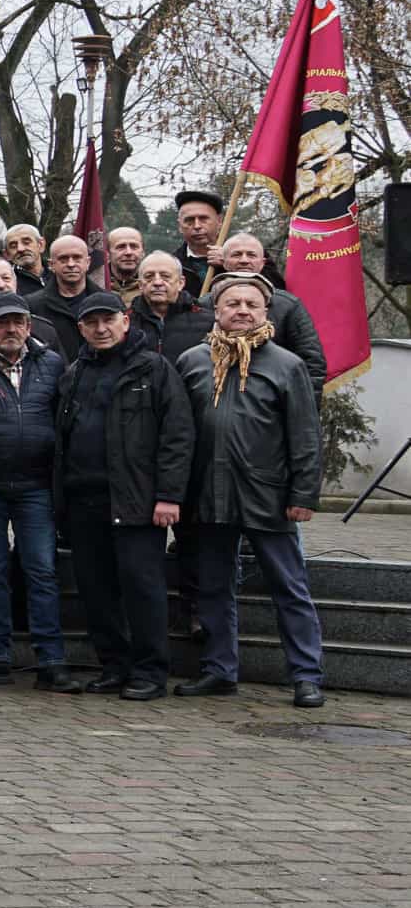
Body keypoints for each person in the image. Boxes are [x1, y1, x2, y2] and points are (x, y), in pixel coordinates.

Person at [172, 273, 327, 708]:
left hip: (270, 497)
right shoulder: (193, 361)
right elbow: (179, 435)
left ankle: (306, 675)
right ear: (216, 311)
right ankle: (220, 670)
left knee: (289, 588)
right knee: (214, 588)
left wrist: (304, 495)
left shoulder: (287, 365)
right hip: (209, 494)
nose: (242, 310)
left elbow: (306, 436)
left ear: (265, 312)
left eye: (251, 305)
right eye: (233, 304)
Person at [54, 290, 193, 701]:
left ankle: (150, 672)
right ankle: (114, 665)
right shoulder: (74, 372)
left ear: (126, 320)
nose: (101, 329)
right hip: (83, 501)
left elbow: (178, 436)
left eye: (108, 320)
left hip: (137, 501)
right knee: (96, 592)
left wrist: (169, 496)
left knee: (142, 589)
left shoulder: (154, 369)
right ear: (80, 328)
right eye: (92, 323)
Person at [0, 293, 76, 691]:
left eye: (18, 322)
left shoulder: (52, 364)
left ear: (29, 326)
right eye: (2, 323)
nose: (11, 330)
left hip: (36, 486)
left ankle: (52, 661)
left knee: (41, 569)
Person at [218, 233, 326, 389]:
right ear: (223, 262)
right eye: (236, 255)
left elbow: (312, 362)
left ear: (262, 263)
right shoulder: (206, 304)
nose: (244, 260)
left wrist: (305, 407)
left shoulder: (288, 306)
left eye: (251, 255)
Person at [129, 251, 210, 363]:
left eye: (165, 276)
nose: (157, 282)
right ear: (140, 285)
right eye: (149, 277)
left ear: (181, 283)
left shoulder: (208, 322)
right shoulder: (125, 323)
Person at [29, 234, 96, 355]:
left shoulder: (107, 301)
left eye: (77, 258)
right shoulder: (32, 305)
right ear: (51, 265)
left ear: (88, 262)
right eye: (63, 259)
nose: (71, 264)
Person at [174, 188, 232, 301]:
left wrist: (232, 263)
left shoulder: (250, 255)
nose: (197, 226)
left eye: (203, 219)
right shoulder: (171, 264)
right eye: (189, 220)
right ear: (180, 226)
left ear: (220, 221)